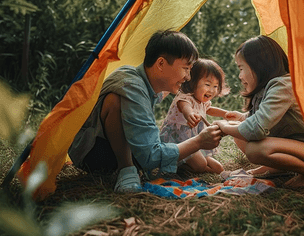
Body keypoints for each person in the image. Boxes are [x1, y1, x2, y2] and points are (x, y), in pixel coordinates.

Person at [68, 30, 223, 193]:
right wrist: (199, 141)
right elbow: (150, 156)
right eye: (186, 68)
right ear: (161, 64)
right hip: (93, 152)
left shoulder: (149, 84)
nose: (188, 77)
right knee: (115, 99)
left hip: (116, 147)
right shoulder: (130, 84)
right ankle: (125, 169)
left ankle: (131, 166)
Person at [213, 35, 304, 188]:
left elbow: (256, 129)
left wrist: (225, 128)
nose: (240, 76)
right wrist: (242, 117)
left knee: (256, 149)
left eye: (241, 68)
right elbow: (267, 117)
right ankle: (276, 169)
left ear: (258, 66)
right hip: (296, 145)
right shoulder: (266, 89)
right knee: (240, 134)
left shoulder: (283, 85)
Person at [159, 58, 231, 174]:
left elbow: (210, 109)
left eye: (215, 86)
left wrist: (225, 114)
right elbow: (185, 107)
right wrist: (190, 114)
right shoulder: (185, 98)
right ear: (192, 82)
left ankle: (203, 169)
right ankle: (178, 166)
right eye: (207, 84)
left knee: (218, 167)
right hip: (179, 139)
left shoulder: (202, 101)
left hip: (194, 138)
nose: (212, 90)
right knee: (200, 165)